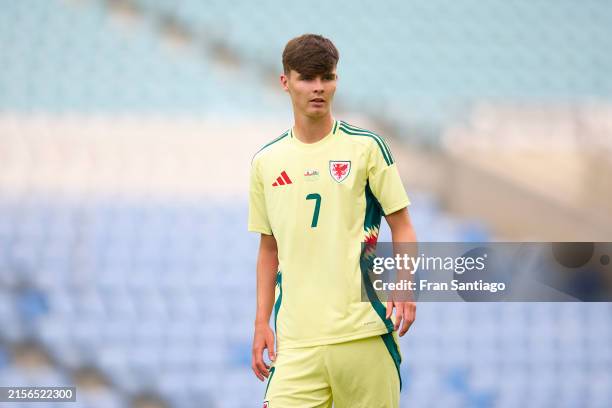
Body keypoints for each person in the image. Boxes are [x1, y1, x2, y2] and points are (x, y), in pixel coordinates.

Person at [248, 33, 417, 407]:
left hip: (364, 334)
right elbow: (268, 248)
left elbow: (402, 225)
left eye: (327, 77)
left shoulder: (366, 148)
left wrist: (405, 286)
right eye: (307, 78)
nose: (318, 88)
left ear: (336, 80)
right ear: (285, 82)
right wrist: (262, 322)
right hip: (296, 344)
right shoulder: (266, 162)